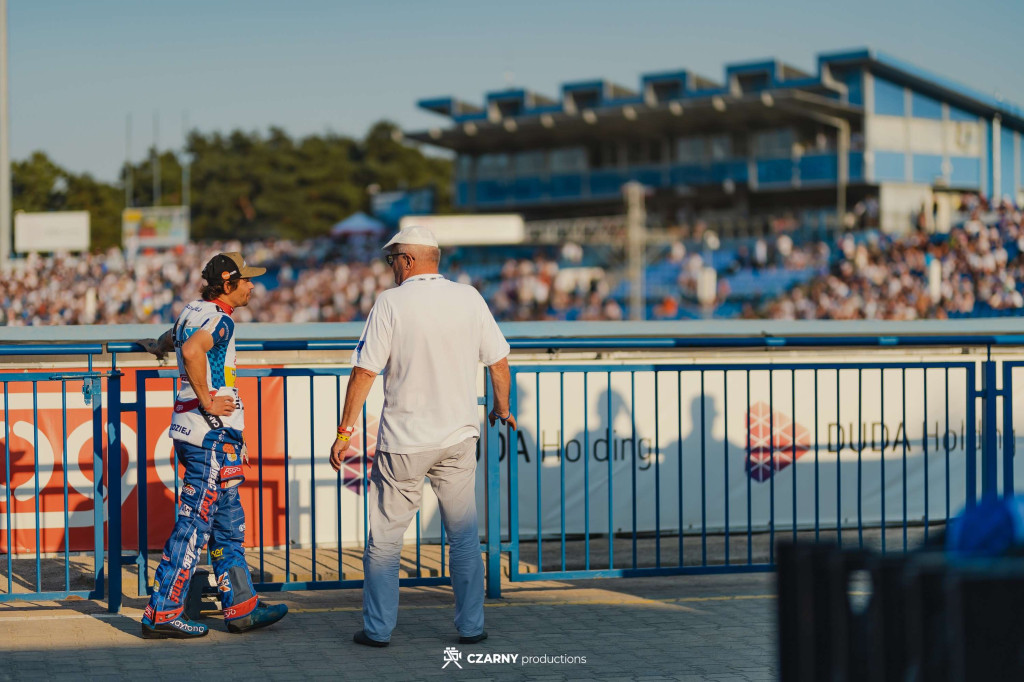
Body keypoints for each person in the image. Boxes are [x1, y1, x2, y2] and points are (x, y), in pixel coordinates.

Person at [329, 226, 516, 648]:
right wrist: (501, 409)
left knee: (386, 541)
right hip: (457, 437)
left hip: (405, 442)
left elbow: (364, 372)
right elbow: (499, 362)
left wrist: (344, 432)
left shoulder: (391, 303)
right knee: (464, 538)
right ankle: (471, 627)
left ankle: (378, 630)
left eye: (392, 259)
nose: (390, 267)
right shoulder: (469, 297)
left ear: (408, 260)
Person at [140, 252, 288, 639]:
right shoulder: (220, 320)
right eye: (247, 281)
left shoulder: (191, 309)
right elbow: (190, 350)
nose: (253, 286)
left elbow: (173, 340)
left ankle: (240, 608)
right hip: (210, 436)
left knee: (227, 525)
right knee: (194, 526)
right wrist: (207, 400)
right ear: (228, 285)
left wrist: (155, 347)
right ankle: (162, 612)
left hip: (210, 436)